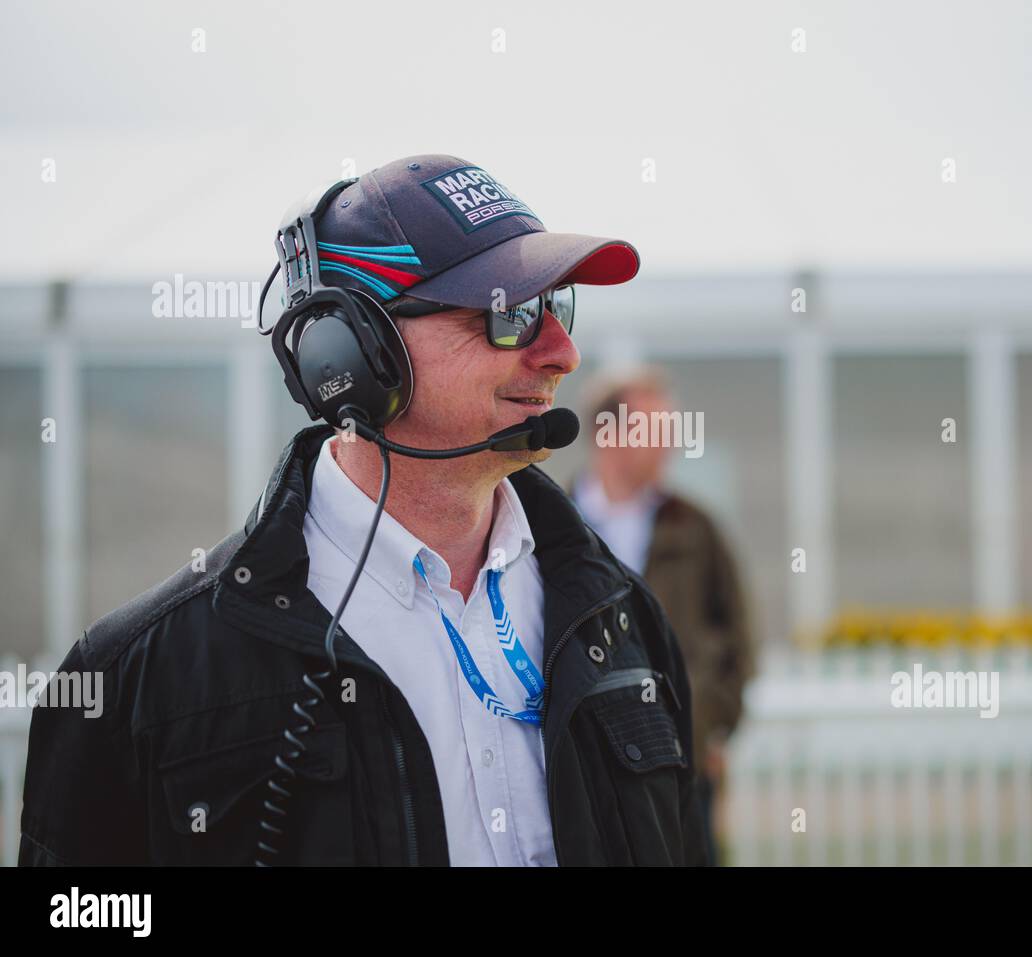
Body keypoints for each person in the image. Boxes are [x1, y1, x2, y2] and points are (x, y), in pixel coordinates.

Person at [19, 154, 708, 866]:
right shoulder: (133, 680)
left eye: (557, 307)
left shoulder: (624, 618)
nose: (562, 351)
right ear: (349, 350)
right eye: (512, 312)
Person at [571, 367, 755, 865]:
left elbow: (738, 638)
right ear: (607, 434)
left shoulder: (697, 527)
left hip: (682, 758)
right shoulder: (551, 526)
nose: (668, 444)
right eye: (653, 429)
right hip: (583, 765)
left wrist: (712, 724)